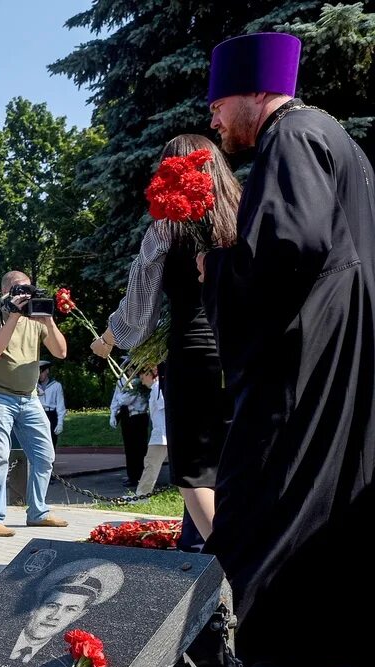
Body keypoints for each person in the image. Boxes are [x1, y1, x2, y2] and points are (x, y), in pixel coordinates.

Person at [200, 32, 375, 667]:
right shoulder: (339, 139)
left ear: (253, 93)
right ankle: (329, 634)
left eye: (219, 103)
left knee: (261, 472)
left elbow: (289, 246)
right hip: (347, 336)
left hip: (307, 344)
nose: (214, 118)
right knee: (332, 481)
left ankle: (240, 632)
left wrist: (215, 269)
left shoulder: (289, 136)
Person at [92, 134, 239, 538]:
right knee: (236, 466)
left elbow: (140, 313)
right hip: (245, 353)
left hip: (194, 354)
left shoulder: (166, 228)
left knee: (196, 474)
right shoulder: (243, 214)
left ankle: (241, 575)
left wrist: (108, 338)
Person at [0, 271, 70, 537]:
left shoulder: (36, 319)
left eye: (29, 290)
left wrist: (48, 320)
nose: (26, 295)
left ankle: (38, 513)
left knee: (44, 456)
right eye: (20, 290)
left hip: (30, 398)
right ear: (6, 291)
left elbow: (61, 352)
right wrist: (14, 316)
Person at [10, 558, 124, 663]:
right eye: (52, 606)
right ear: (36, 606)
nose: (55, 616)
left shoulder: (63, 658)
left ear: (78, 616)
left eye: (70, 609)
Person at [107, 373, 150, 491]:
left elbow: (126, 399)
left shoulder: (138, 381)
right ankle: (132, 476)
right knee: (129, 448)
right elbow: (115, 399)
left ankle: (142, 475)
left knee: (140, 448)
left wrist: (121, 397)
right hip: (126, 416)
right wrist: (113, 414)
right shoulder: (121, 381)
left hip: (139, 416)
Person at [132, 367, 168, 496]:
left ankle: (142, 495)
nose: (142, 382)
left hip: (161, 435)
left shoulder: (158, 388)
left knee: (150, 464)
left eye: (142, 378)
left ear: (149, 374)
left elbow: (164, 407)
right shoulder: (157, 387)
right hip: (163, 433)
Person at [36, 361, 65, 449]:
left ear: (47, 371)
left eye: (42, 372)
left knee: (51, 442)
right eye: (38, 373)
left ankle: (51, 463)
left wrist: (60, 423)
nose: (40, 375)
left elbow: (60, 405)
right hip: (38, 414)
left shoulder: (56, 385)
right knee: (38, 442)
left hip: (51, 414)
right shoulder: (33, 386)